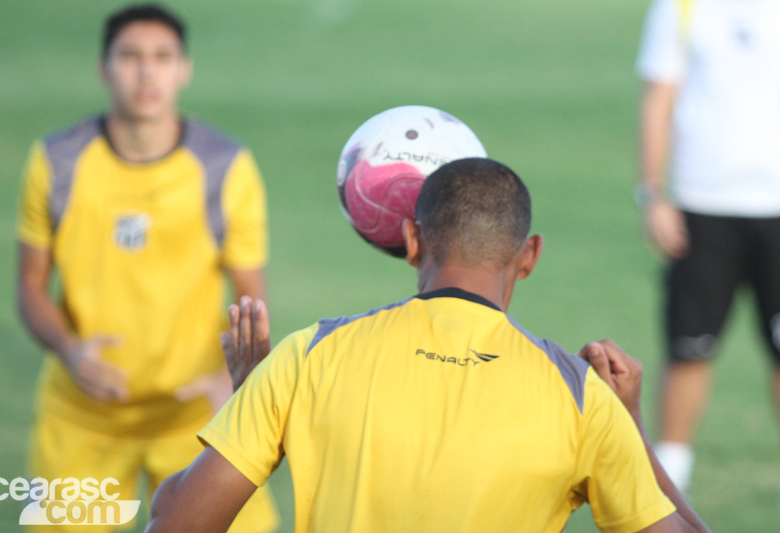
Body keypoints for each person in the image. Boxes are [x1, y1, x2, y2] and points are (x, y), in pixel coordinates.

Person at [145, 158, 710, 532]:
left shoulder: (308, 355)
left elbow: (175, 522)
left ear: (412, 240)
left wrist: (250, 399)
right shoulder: (583, 398)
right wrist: (630, 425)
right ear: (530, 255)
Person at [16, 4, 278, 531]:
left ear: (184, 69)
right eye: (130, 56)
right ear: (103, 67)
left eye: (162, 57)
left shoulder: (225, 166)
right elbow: (29, 287)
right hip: (82, 417)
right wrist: (69, 351)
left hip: (196, 422)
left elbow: (251, 299)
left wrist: (235, 383)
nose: (146, 71)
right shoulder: (56, 162)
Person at [636, 0, 780, 493]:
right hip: (702, 203)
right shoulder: (680, 6)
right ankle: (670, 482)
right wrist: (653, 194)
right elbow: (659, 95)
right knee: (688, 347)